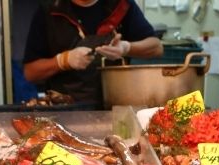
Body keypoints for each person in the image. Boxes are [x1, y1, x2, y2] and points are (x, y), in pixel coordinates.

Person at [23, 0, 164, 109]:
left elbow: (156, 47)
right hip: (66, 111)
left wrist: (126, 48)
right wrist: (63, 61)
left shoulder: (120, 5)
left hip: (117, 107)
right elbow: (30, 72)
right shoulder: (50, 10)